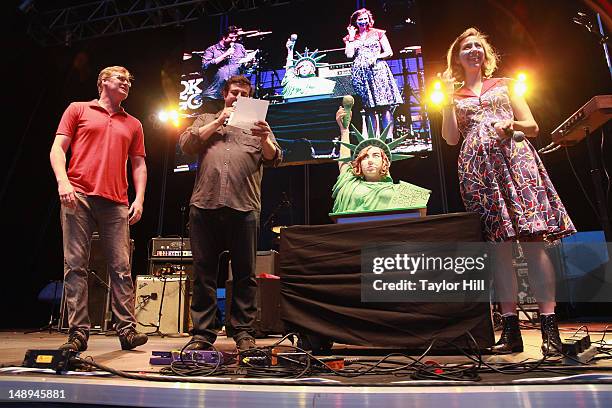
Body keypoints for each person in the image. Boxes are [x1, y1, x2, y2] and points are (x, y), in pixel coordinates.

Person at [440, 28, 576, 355]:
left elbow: (532, 125)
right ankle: (511, 330)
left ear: (485, 54)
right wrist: (445, 98)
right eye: (466, 48)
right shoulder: (455, 96)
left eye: (478, 46)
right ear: (457, 59)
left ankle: (550, 329)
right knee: (499, 250)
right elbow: (450, 138)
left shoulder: (505, 85)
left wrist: (511, 126)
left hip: (516, 163)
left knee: (533, 245)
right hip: (477, 170)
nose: (473, 50)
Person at [179, 75, 282, 351]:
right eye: (234, 92)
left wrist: (264, 139)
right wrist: (217, 122)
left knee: (245, 273)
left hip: (244, 206)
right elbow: (187, 145)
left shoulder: (258, 127)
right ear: (225, 94)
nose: (238, 97)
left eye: (244, 93)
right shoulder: (204, 119)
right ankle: (203, 333)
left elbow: (274, 157)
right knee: (204, 273)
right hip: (205, 204)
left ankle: (243, 332)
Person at [50, 66, 148, 352]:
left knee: (121, 267)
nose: (127, 83)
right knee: (75, 265)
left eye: (130, 80)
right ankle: (78, 333)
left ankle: (127, 331)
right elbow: (58, 149)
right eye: (121, 78)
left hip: (116, 202)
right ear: (103, 81)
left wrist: (139, 198)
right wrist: (62, 183)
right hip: (77, 195)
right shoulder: (78, 109)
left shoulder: (133, 123)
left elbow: (139, 164)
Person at [331, 106, 430, 215]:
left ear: (385, 162)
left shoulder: (404, 193)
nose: (370, 160)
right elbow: (343, 163)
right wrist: (344, 130)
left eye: (376, 155)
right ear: (359, 164)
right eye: (365, 157)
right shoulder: (350, 183)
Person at [343, 8, 403, 140]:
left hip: (378, 72)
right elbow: (349, 55)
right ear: (355, 22)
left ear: (369, 20)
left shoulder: (378, 33)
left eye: (365, 19)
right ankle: (374, 138)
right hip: (361, 75)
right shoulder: (350, 38)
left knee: (384, 107)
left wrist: (376, 57)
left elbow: (389, 51)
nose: (363, 21)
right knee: (369, 108)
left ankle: (388, 137)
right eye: (360, 19)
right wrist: (352, 37)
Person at [200, 26, 253, 113]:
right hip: (214, 95)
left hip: (233, 96)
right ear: (223, 37)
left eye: (236, 37)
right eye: (231, 37)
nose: (234, 40)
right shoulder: (212, 50)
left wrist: (248, 64)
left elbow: (242, 67)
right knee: (212, 121)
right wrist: (225, 55)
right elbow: (205, 66)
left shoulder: (240, 48)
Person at [281, 36, 336, 100]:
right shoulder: (293, 81)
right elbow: (289, 68)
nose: (304, 68)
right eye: (302, 66)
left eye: (307, 66)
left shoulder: (322, 82)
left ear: (312, 68)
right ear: (298, 69)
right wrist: (290, 51)